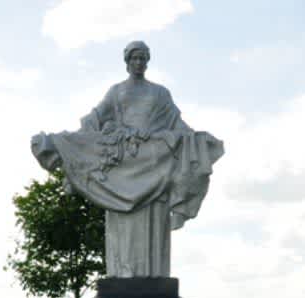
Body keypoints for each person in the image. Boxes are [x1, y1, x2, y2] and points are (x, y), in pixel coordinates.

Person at [31, 41, 224, 278]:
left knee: (152, 217)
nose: (139, 63)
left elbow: (176, 122)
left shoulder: (160, 93)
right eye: (134, 58)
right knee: (123, 221)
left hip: (154, 161)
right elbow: (95, 118)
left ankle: (152, 274)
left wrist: (194, 139)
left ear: (147, 61)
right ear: (127, 62)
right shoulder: (117, 91)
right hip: (122, 166)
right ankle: (123, 274)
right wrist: (73, 143)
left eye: (143, 58)